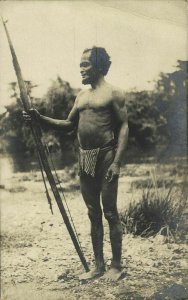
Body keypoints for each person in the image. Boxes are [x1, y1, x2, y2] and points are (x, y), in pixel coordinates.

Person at [23, 46, 129, 281]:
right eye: (80, 65)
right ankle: (98, 266)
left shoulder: (114, 94)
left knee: (110, 212)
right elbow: (68, 125)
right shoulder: (81, 96)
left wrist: (117, 163)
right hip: (86, 157)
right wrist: (39, 119)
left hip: (106, 156)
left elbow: (123, 127)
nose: (81, 69)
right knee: (93, 213)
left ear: (99, 66)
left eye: (85, 65)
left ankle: (116, 266)